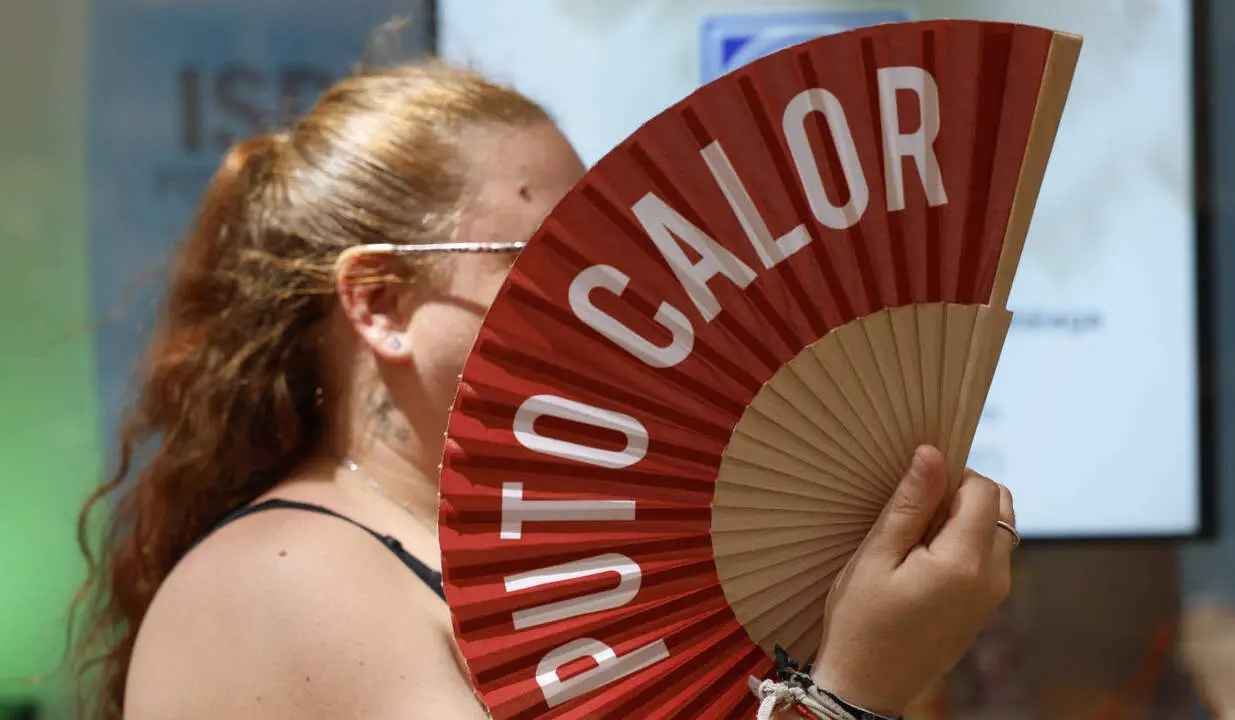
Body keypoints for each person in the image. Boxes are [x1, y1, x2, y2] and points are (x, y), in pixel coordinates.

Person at [70, 59, 1019, 720]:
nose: (602, 293)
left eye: (607, 248)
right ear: (382, 302)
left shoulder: (508, 552)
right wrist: (851, 688)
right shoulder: (285, 579)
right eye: (545, 259)